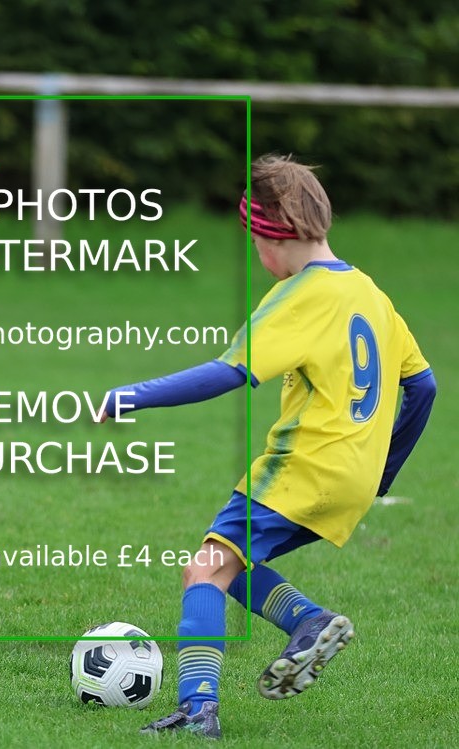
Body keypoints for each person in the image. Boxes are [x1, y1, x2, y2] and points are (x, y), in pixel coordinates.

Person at [101, 154, 436, 738]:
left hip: (302, 466)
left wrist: (135, 395)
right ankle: (311, 621)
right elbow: (423, 387)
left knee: (204, 570)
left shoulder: (299, 295)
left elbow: (229, 371)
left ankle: (198, 708)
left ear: (268, 234)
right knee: (234, 564)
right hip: (353, 479)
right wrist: (383, 473)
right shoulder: (370, 293)